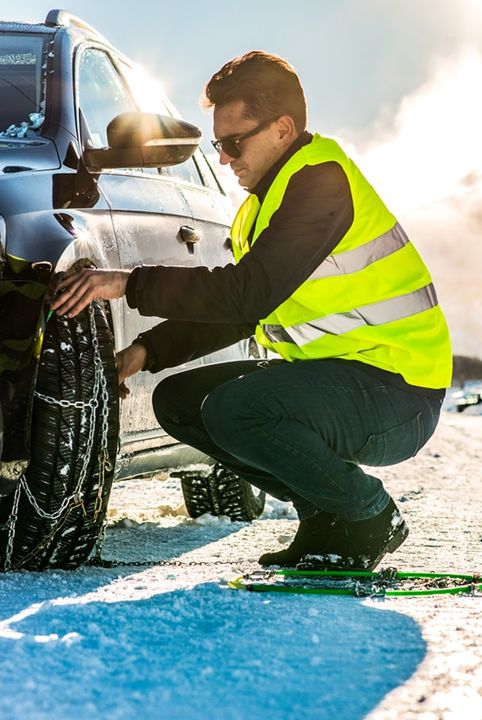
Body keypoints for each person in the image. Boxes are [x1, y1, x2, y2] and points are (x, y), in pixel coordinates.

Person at [52, 51, 452, 571]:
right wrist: (146, 352)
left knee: (235, 410)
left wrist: (128, 283)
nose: (224, 158)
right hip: (348, 379)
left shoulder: (320, 183)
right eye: (219, 144)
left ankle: (368, 513)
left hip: (399, 393)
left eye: (234, 143)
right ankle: (327, 517)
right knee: (179, 400)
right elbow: (244, 314)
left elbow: (248, 293)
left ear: (283, 129)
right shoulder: (263, 205)